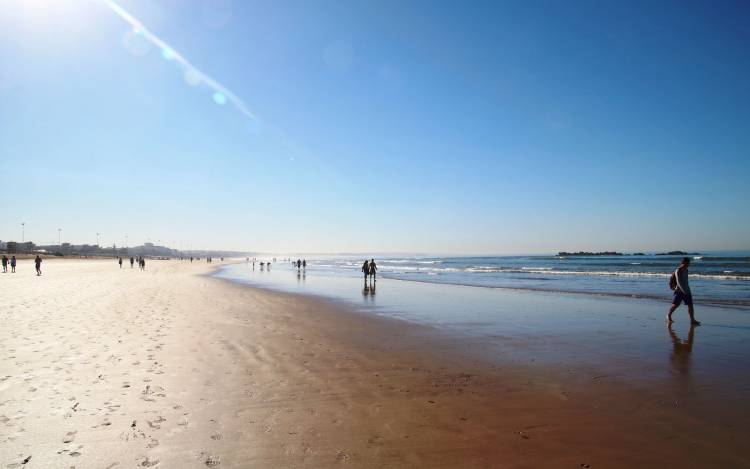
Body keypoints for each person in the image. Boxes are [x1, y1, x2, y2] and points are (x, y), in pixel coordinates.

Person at [667, 257, 700, 325]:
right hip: (679, 291)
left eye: (688, 263)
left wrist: (687, 289)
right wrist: (683, 291)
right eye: (687, 263)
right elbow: (679, 282)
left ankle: (692, 320)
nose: (688, 264)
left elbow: (686, 281)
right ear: (682, 263)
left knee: (690, 305)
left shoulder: (686, 270)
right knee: (675, 305)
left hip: (686, 290)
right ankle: (669, 315)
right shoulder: (678, 270)